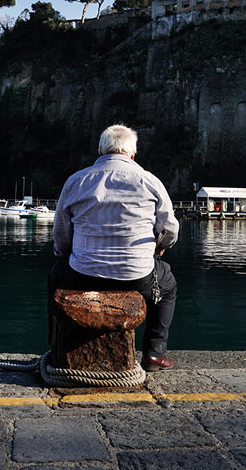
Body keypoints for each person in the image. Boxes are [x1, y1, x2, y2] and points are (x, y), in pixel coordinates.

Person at [49, 124, 180, 371]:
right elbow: (170, 230)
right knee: (168, 286)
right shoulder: (149, 180)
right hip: (137, 277)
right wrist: (159, 249)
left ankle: (56, 346)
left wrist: (66, 254)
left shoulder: (77, 181)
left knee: (55, 275)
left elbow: (61, 234)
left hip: (83, 276)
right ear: (132, 154)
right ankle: (154, 354)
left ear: (101, 150)